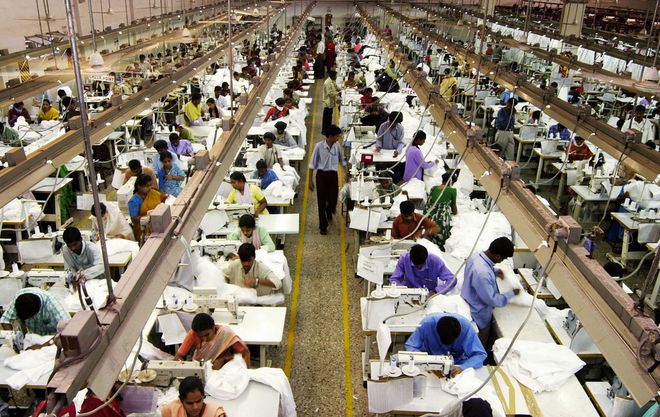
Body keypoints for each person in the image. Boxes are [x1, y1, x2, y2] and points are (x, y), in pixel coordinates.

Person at [461, 237, 520, 346]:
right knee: (480, 343)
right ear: (497, 256)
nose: (501, 261)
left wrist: (495, 271)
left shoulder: (475, 256)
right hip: (478, 314)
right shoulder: (483, 273)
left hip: (469, 300)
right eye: (502, 259)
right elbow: (492, 300)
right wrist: (512, 294)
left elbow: (483, 271)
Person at [405, 313, 487, 376]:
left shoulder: (466, 328)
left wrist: (463, 367)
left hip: (457, 364)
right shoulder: (427, 324)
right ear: (437, 331)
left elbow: (480, 355)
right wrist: (427, 361)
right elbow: (411, 346)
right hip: (430, 361)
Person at [308, 124, 349, 235]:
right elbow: (312, 164)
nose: (338, 138)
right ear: (330, 136)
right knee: (321, 202)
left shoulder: (337, 146)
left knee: (333, 199)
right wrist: (310, 181)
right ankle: (323, 226)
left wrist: (346, 173)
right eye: (337, 136)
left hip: (333, 175)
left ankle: (329, 210)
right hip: (321, 176)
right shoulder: (318, 147)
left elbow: (342, 160)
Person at [175, 313, 249, 369]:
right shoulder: (193, 334)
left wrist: (224, 360)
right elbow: (178, 356)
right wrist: (184, 366)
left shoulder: (225, 333)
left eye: (207, 335)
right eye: (200, 337)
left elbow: (245, 354)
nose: (204, 339)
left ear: (213, 327)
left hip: (223, 369)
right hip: (199, 367)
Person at [0, 288, 70, 335]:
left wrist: (45, 344)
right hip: (33, 336)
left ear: (37, 313)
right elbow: (5, 320)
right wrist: (13, 338)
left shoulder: (53, 305)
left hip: (52, 337)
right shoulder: (19, 298)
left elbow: (69, 330)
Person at [390, 244, 455, 294]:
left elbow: (452, 280)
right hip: (408, 294)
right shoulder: (404, 259)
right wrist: (403, 290)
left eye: (421, 265)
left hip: (429, 296)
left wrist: (436, 291)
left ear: (426, 258)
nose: (418, 267)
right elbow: (394, 279)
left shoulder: (435, 261)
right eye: (416, 266)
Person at [161, 376, 226, 417]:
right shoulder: (170, 411)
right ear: (181, 400)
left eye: (198, 401)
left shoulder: (216, 414)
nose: (195, 407)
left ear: (203, 397)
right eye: (189, 403)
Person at [128, 174, 167, 241]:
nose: (149, 188)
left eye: (150, 185)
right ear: (139, 186)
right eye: (147, 186)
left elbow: (163, 199)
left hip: (157, 225)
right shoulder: (134, 201)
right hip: (143, 230)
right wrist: (148, 217)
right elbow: (134, 219)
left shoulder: (153, 193)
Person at [425, 172, 458, 250]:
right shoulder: (452, 190)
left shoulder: (433, 188)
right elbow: (454, 209)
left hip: (430, 217)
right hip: (441, 219)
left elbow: (429, 203)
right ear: (451, 181)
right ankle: (440, 246)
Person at [322, 70, 341, 135]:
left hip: (331, 102)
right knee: (326, 118)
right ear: (333, 76)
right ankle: (325, 130)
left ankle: (328, 129)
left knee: (329, 117)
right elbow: (329, 93)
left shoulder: (332, 81)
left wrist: (342, 89)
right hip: (328, 102)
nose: (336, 77)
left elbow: (336, 87)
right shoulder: (327, 83)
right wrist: (338, 93)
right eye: (335, 76)